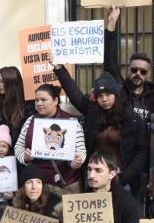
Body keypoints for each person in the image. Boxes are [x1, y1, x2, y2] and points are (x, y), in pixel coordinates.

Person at [53, 65, 148, 196]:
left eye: (108, 94)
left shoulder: (133, 119)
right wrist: (59, 69)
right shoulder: (92, 112)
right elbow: (75, 95)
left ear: (116, 94)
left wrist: (123, 177)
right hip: (94, 181)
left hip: (122, 182)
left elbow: (142, 151)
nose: (104, 99)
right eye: (100, 95)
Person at [60, 151, 143, 223]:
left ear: (112, 174)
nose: (91, 175)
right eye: (89, 169)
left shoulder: (130, 205)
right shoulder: (78, 204)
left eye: (98, 170)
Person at [14, 84, 86, 192]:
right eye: (36, 100)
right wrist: (24, 156)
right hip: (38, 187)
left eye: (43, 100)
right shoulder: (30, 121)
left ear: (55, 100)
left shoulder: (71, 123)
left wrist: (77, 160)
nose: (39, 103)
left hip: (67, 183)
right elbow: (18, 146)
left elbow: (81, 150)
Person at [104, 7, 154, 121]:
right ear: (128, 70)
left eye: (143, 71)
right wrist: (112, 23)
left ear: (148, 74)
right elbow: (110, 60)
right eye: (134, 70)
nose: (138, 73)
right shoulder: (119, 91)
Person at [0, 66, 29, 146]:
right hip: (0, 151)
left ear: (10, 83)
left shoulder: (27, 105)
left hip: (18, 153)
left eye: (1, 81)